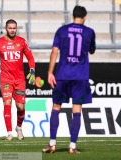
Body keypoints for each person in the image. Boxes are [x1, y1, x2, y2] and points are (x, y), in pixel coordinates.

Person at [43, 6, 96, 154]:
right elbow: (91, 50)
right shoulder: (89, 32)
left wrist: (49, 72)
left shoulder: (62, 30)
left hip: (62, 75)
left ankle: (52, 145)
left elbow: (54, 51)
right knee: (77, 110)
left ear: (72, 16)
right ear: (85, 17)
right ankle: (72, 147)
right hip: (80, 76)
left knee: (56, 107)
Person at [0, 19, 36, 140]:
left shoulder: (22, 42)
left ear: (16, 28)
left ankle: (19, 128)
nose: (12, 30)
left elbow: (30, 57)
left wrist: (32, 70)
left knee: (20, 107)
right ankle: (9, 133)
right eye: (10, 28)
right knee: (7, 103)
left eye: (14, 28)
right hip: (6, 79)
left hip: (20, 80)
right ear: (6, 28)